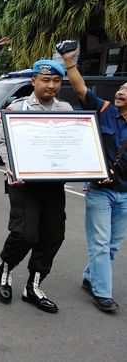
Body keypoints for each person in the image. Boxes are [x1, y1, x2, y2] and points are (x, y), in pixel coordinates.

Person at [0, 59, 72, 314]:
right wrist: (11, 166)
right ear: (34, 81)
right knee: (25, 233)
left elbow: (74, 143)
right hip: (23, 183)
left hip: (53, 184)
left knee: (52, 235)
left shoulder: (67, 109)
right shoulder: (18, 107)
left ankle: (33, 286)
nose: (51, 85)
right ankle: (4, 268)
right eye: (46, 80)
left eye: (56, 81)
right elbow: (4, 141)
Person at [63, 47, 126, 312]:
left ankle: (91, 277)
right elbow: (80, 90)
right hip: (100, 191)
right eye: (121, 87)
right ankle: (103, 293)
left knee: (112, 245)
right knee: (100, 243)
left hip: (125, 194)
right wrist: (69, 62)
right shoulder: (106, 110)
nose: (121, 91)